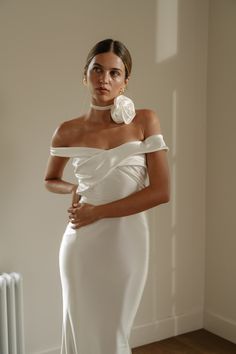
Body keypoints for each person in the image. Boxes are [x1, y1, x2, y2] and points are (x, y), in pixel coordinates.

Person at [44, 38, 170, 354]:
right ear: (84, 75)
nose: (104, 79)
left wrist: (97, 211)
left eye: (115, 73)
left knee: (114, 333)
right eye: (97, 70)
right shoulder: (67, 130)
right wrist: (72, 188)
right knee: (81, 329)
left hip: (128, 242)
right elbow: (50, 179)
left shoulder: (145, 120)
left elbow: (161, 192)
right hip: (80, 243)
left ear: (125, 82)